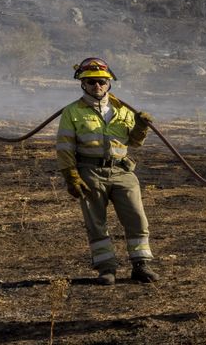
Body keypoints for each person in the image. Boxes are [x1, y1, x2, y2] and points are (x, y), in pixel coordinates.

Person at [55, 57, 158, 286]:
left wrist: (141, 126)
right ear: (83, 84)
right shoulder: (72, 112)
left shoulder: (123, 110)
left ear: (109, 83)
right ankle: (106, 268)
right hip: (89, 171)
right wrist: (71, 176)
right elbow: (64, 148)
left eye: (102, 81)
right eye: (91, 82)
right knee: (96, 222)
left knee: (136, 217)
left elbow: (135, 142)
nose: (97, 86)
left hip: (121, 172)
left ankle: (141, 265)